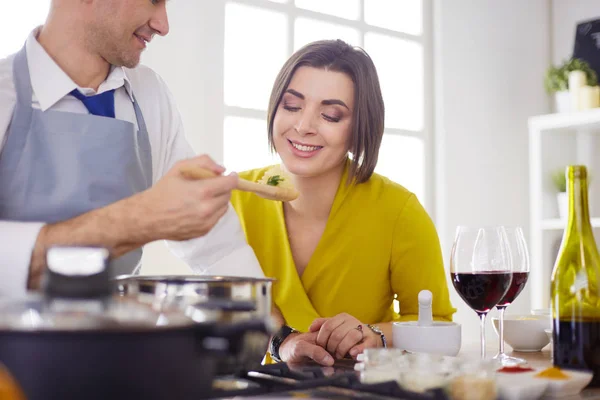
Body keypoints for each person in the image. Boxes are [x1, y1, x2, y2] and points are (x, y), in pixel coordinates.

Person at [0, 0, 263, 297]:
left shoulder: (149, 94)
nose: (163, 26)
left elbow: (217, 246)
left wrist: (280, 335)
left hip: (119, 338)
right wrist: (138, 220)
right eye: (154, 1)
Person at [231, 39, 456, 366]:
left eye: (331, 115)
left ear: (359, 128)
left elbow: (439, 328)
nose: (303, 126)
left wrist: (374, 335)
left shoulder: (399, 211)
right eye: (292, 106)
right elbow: (222, 312)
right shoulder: (238, 197)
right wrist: (280, 342)